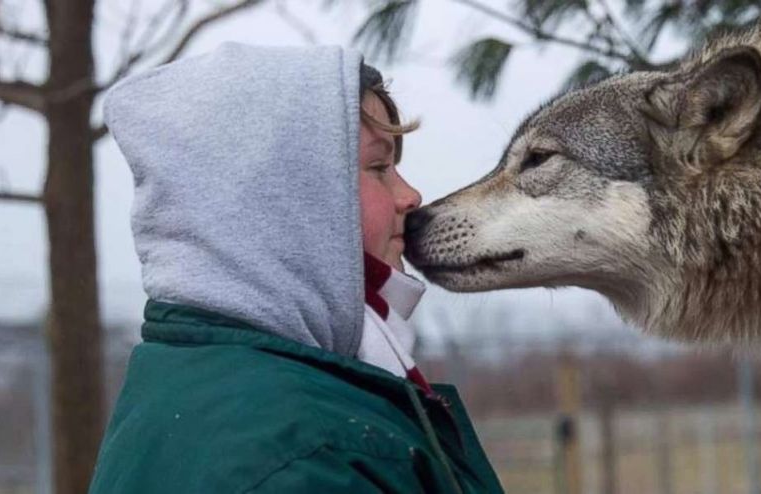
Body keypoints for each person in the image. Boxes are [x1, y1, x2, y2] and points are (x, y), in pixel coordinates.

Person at [87, 44, 504, 493]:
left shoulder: (185, 383)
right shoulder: (306, 455)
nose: (411, 195)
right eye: (379, 167)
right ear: (281, 202)